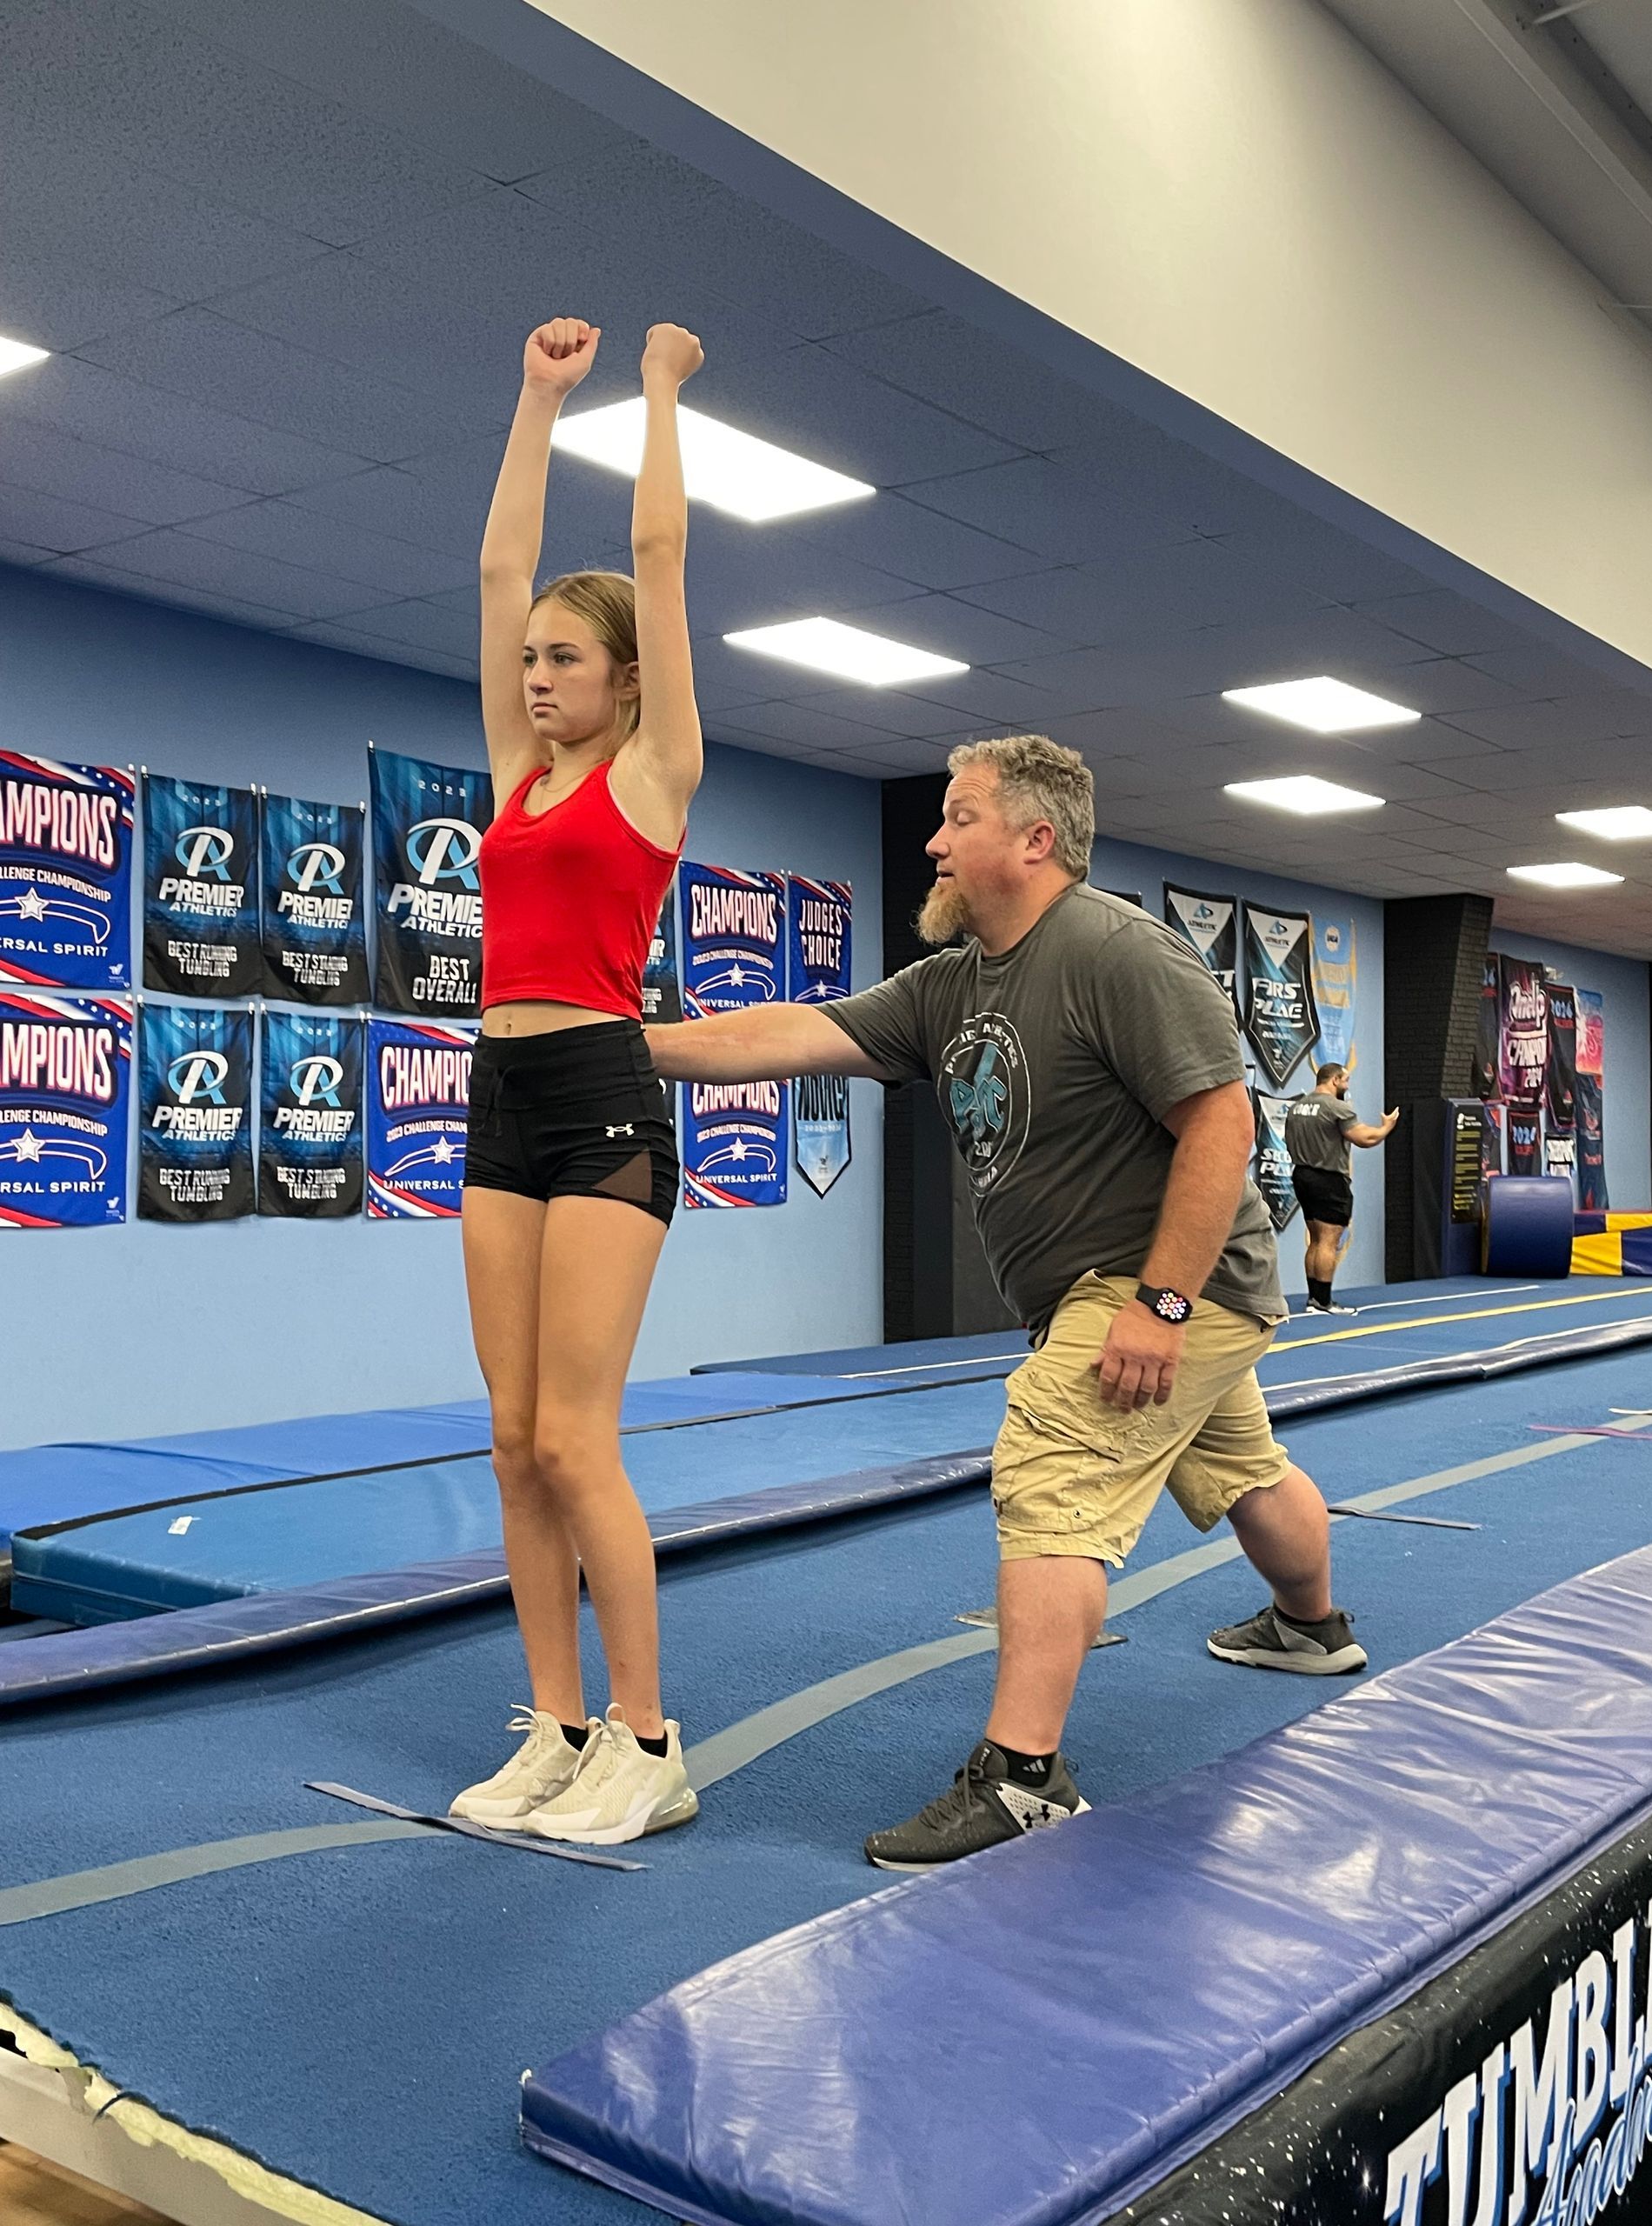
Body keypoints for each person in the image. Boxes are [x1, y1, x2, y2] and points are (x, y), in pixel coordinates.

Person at [647, 734, 1367, 1871]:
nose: (933, 841)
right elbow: (795, 1033)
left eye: (960, 818)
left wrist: (1161, 1308)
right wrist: (634, 1049)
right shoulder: (950, 982)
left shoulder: (1119, 953)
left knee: (1051, 1460)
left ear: (1036, 840)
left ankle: (1023, 1776)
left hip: (1165, 1285)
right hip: (1134, 1292)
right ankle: (1311, 1626)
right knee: (1240, 1466)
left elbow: (1224, 1128)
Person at [450, 314, 705, 1848]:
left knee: (573, 1437)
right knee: (506, 1433)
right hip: (498, 1099)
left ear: (619, 680)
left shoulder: (650, 773)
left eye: (562, 659)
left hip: (605, 1097)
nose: (535, 675)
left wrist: (653, 397)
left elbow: (661, 561)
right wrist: (535, 401)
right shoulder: (518, 777)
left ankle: (648, 1737)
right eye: (529, 660)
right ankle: (552, 1723)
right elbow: (496, 575)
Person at [1284, 1064, 1399, 1316]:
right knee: (1328, 1241)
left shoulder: (1296, 1107)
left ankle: (1314, 1297)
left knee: (1315, 1239)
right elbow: (1365, 1139)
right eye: (1346, 1080)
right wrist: (1386, 1127)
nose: (1347, 1085)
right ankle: (1323, 1302)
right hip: (1328, 1179)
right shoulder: (1336, 1107)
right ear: (1334, 1080)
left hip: (1302, 1175)